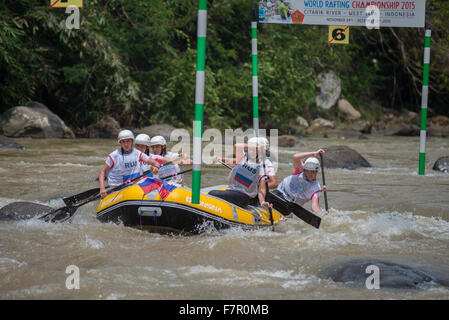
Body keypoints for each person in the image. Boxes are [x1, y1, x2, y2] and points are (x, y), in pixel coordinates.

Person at [209, 139, 273, 209]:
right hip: (231, 191)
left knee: (212, 193)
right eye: (250, 149)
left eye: (255, 150)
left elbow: (261, 189)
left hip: (243, 197)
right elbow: (237, 146)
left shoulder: (262, 167)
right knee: (213, 193)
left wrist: (262, 202)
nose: (252, 151)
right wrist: (256, 147)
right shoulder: (242, 157)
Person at [99, 130, 161, 198]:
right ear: (120, 143)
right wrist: (102, 188)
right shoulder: (114, 156)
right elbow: (102, 171)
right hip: (117, 189)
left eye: (128, 141)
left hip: (134, 188)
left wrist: (156, 168)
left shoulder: (137, 153)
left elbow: (155, 163)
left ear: (132, 142)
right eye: (123, 142)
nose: (126, 144)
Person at [270, 149, 326, 214]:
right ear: (305, 170)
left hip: (289, 206)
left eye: (312, 171)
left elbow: (314, 207)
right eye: (308, 171)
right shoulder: (300, 170)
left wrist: (323, 214)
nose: (310, 174)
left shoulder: (316, 189)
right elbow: (295, 157)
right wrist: (315, 153)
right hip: (278, 194)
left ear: (316, 171)